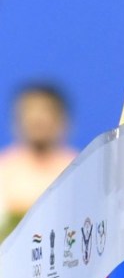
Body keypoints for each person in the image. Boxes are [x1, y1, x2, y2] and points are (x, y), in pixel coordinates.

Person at [0, 83, 77, 241]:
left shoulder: (79, 170)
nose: (37, 119)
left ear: (62, 120)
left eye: (45, 111)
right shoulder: (4, 170)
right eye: (29, 111)